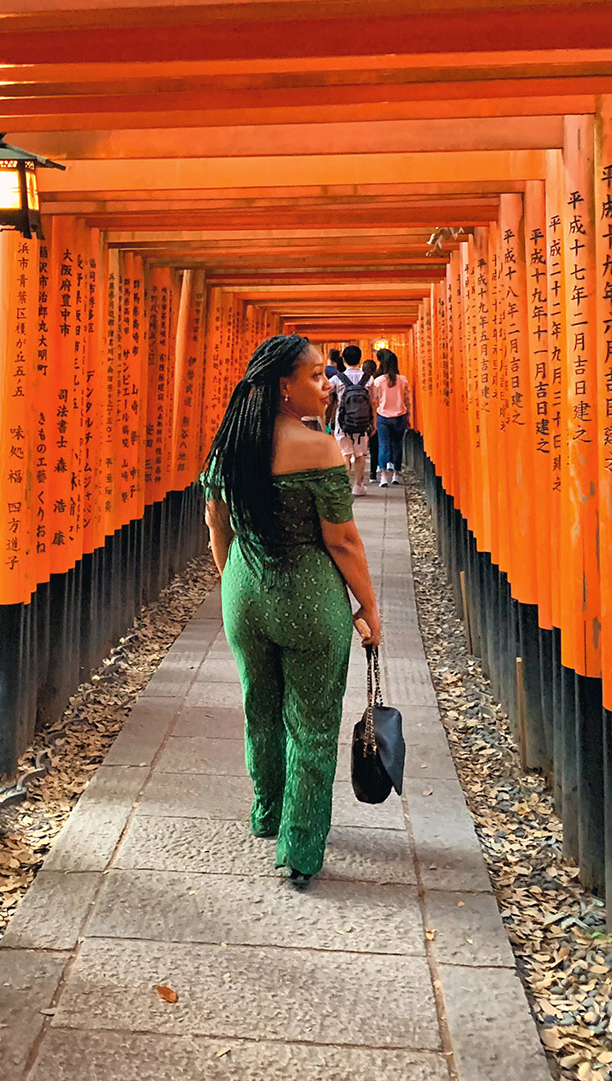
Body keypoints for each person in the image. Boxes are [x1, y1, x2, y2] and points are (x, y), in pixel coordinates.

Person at [202, 334, 381, 890]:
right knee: (314, 720)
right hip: (310, 600)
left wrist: (236, 580)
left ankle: (267, 811)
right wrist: (369, 607)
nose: (328, 387)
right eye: (315, 377)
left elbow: (217, 526)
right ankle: (301, 846)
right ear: (284, 386)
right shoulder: (318, 448)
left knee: (260, 704)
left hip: (244, 594)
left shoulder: (228, 445)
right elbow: (344, 542)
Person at [327, 344, 374, 495]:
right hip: (362, 422)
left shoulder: (337, 379)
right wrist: (373, 423)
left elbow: (326, 397)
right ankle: (358, 486)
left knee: (345, 454)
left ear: (344, 360)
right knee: (360, 455)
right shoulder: (368, 378)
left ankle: (345, 486)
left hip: (343, 422)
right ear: (360, 359)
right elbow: (373, 402)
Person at [371, 348, 413, 486]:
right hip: (400, 415)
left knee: (383, 445)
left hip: (383, 416)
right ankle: (396, 474)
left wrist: (373, 419)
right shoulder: (403, 380)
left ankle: (383, 476)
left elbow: (375, 400)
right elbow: (407, 400)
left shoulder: (378, 381)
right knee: (397, 445)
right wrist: (408, 417)